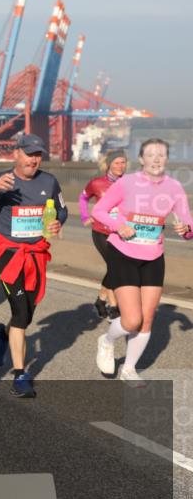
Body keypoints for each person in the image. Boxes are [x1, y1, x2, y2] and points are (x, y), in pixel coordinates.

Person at [0, 133, 67, 398]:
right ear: (16, 153)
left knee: (27, 312)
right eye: (29, 154)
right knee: (22, 313)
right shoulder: (2, 180)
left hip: (36, 253)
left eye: (38, 155)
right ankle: (20, 374)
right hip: (7, 254)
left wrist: (58, 222)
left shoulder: (49, 181)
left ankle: (3, 334)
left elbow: (62, 210)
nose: (34, 160)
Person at [93, 139, 193, 386]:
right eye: (151, 154)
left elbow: (188, 224)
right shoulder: (127, 183)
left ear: (167, 159)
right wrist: (119, 226)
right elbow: (99, 211)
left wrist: (186, 229)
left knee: (147, 319)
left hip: (153, 256)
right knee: (131, 320)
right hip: (123, 253)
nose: (156, 159)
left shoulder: (174, 187)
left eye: (161, 155)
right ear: (142, 159)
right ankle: (106, 341)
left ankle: (129, 369)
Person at [80, 149, 128, 320]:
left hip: (121, 232)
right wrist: (85, 216)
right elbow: (83, 198)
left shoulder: (130, 183)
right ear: (109, 165)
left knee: (115, 268)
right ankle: (114, 307)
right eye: (117, 163)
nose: (121, 166)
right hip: (101, 232)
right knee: (115, 267)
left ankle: (101, 300)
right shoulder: (97, 183)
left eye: (123, 162)